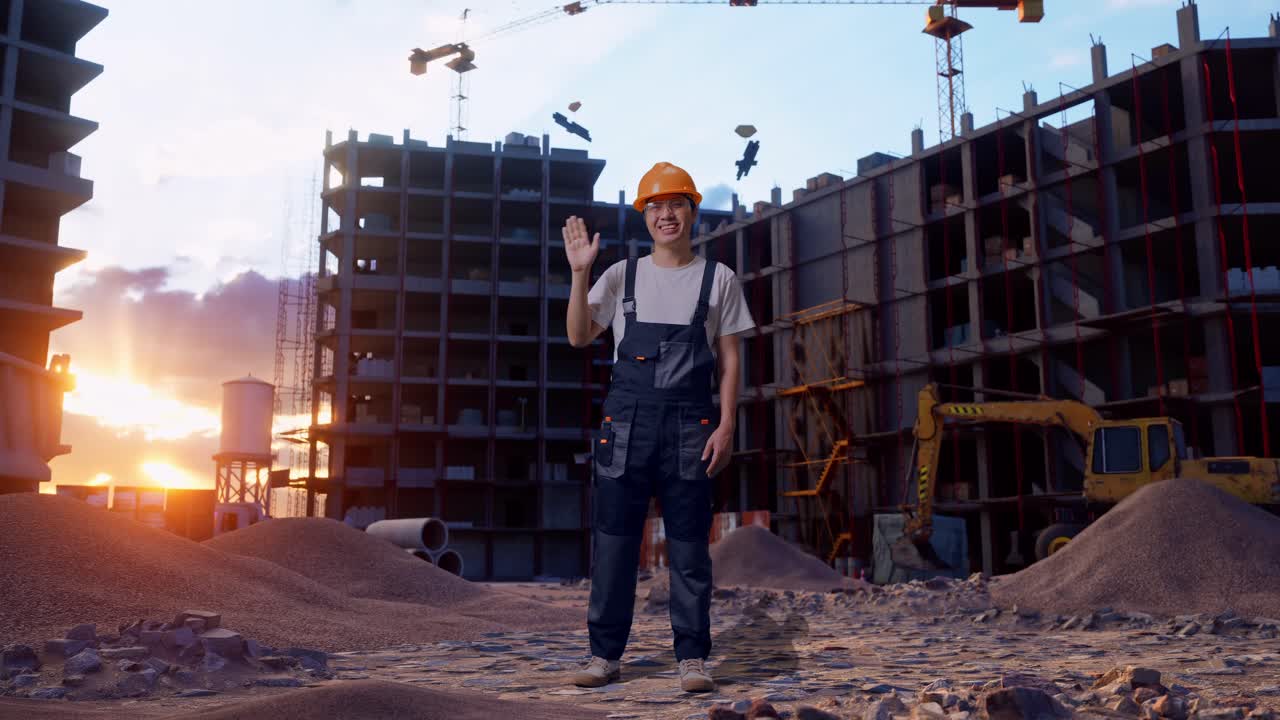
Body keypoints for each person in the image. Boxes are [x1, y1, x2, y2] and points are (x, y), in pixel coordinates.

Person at [561, 162, 756, 693]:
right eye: (654, 207)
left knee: (690, 549)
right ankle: (604, 656)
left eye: (675, 205)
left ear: (692, 211)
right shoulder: (622, 275)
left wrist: (727, 424)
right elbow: (580, 336)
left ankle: (692, 658)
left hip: (691, 426)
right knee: (615, 546)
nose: (665, 214)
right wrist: (580, 274)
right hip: (626, 425)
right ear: (645, 217)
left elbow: (731, 359)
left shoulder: (719, 280)